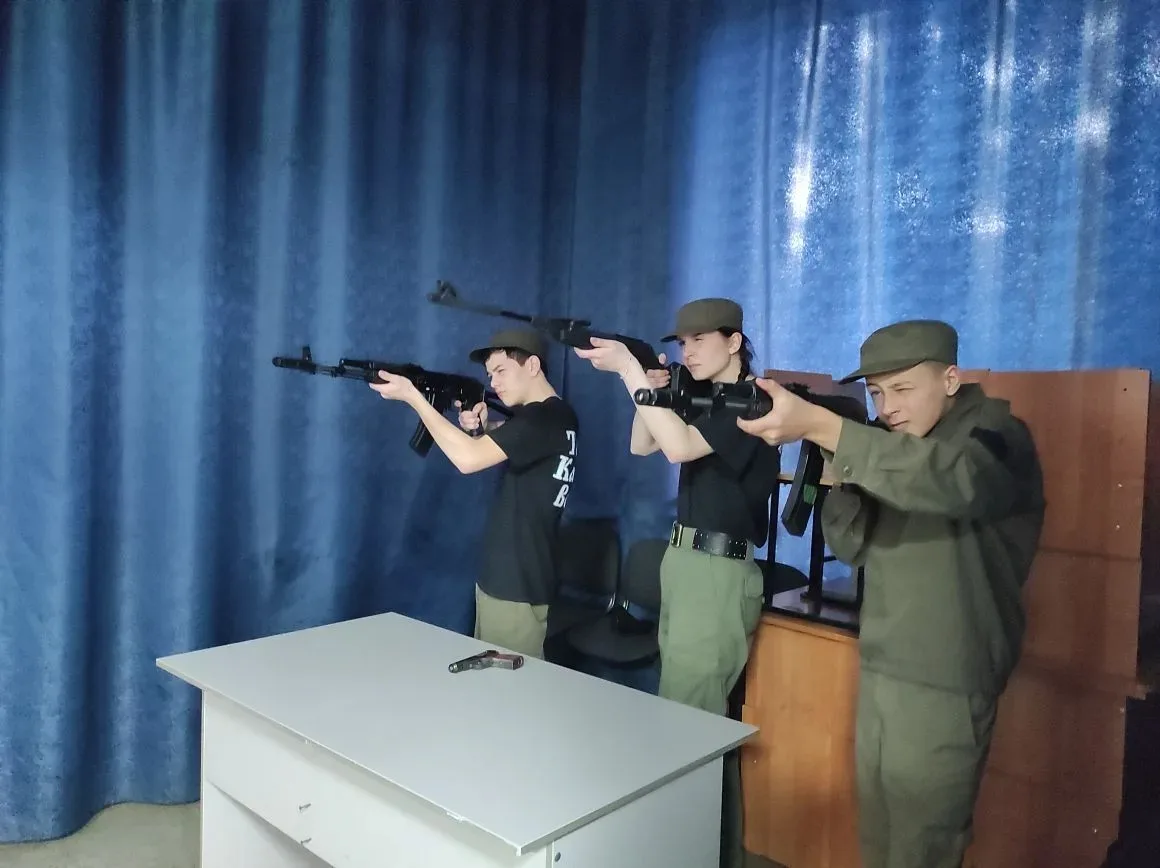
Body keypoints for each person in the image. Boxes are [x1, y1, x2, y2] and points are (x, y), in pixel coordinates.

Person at [735, 319, 1046, 868]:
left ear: (950, 379)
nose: (889, 407)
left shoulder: (996, 434)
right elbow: (852, 545)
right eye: (877, 393)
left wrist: (832, 430)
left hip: (946, 678)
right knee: (880, 836)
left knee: (921, 844)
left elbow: (955, 483)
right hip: (884, 662)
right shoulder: (894, 445)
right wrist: (837, 463)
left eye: (902, 388)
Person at [573, 298, 780, 868]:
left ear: (734, 341)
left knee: (690, 724)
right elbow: (642, 444)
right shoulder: (704, 396)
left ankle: (690, 853)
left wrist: (632, 372)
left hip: (718, 570)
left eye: (700, 339)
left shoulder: (754, 401)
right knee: (691, 719)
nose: (688, 350)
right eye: (682, 342)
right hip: (684, 561)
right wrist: (655, 389)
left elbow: (680, 447)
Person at [370, 327, 579, 659]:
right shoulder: (556, 416)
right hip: (517, 577)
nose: (494, 382)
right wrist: (481, 428)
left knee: (508, 685)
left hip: (515, 586)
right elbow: (509, 437)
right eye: (490, 374)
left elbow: (468, 459)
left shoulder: (542, 417)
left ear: (532, 366)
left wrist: (414, 398)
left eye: (501, 371)